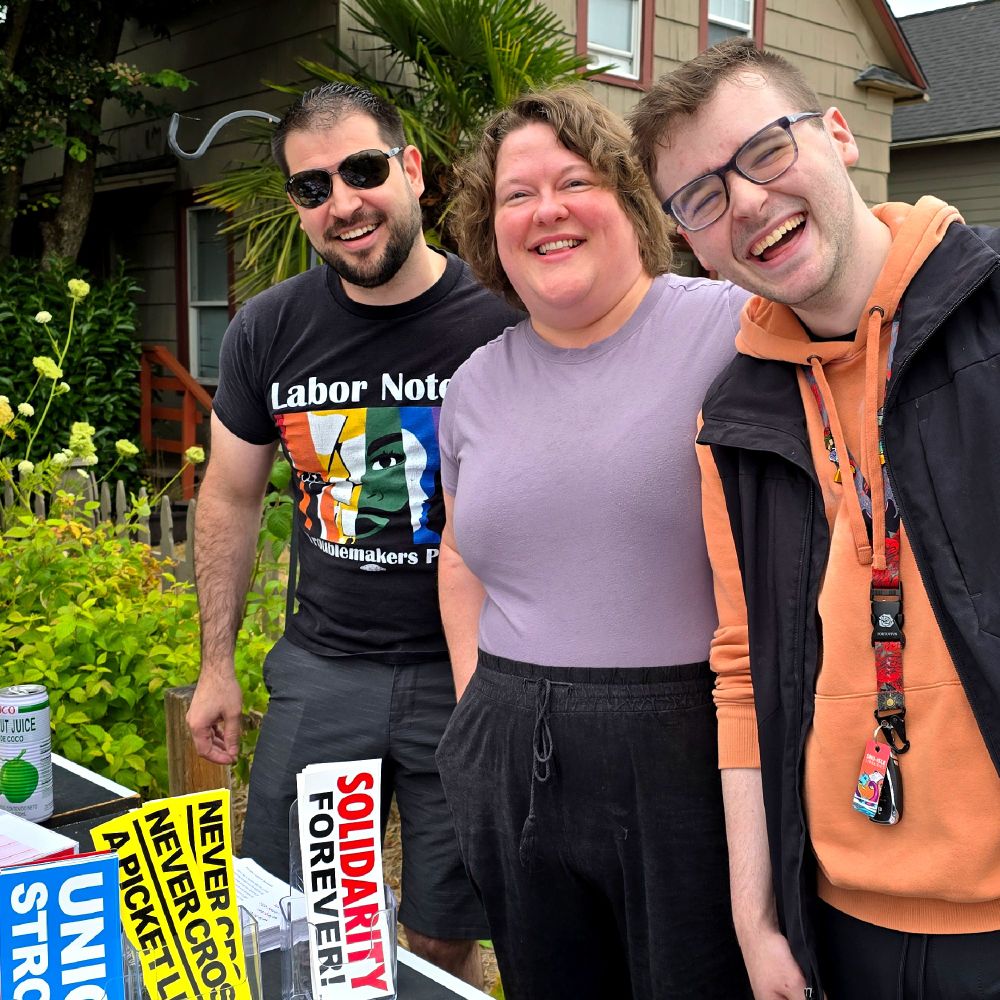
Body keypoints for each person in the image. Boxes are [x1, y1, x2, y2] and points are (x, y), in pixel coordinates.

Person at [630, 38, 1000, 999]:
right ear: (690, 238)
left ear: (838, 134)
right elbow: (742, 673)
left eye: (765, 150)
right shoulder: (733, 419)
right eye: (702, 196)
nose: (749, 202)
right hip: (839, 920)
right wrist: (756, 921)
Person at [186, 82, 521, 985]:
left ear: (412, 170)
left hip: (472, 674)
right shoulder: (269, 328)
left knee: (447, 933)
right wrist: (216, 665)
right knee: (287, 920)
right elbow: (229, 497)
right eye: (312, 187)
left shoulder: (506, 320)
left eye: (364, 170)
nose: (343, 202)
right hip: (325, 668)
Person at [434, 87, 752, 1000]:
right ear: (489, 229)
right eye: (517, 194)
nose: (548, 211)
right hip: (509, 748)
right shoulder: (473, 386)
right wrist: (474, 712)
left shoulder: (733, 327)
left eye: (575, 182)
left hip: (691, 751)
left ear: (630, 199)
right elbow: (460, 556)